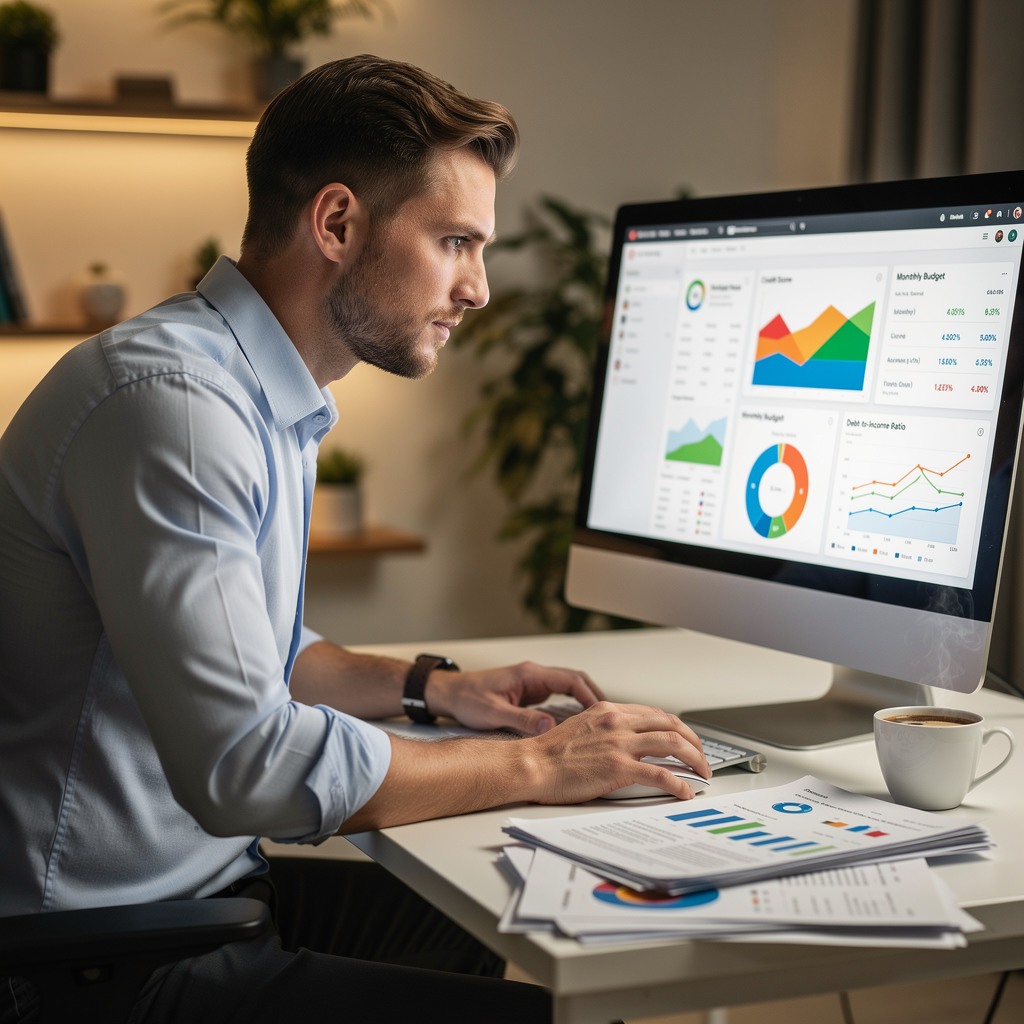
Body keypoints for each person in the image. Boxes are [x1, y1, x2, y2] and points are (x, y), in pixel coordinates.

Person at [0, 55, 708, 1022]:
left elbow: (257, 657)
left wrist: (432, 687)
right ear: (336, 223)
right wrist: (539, 764)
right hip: (90, 958)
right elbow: (243, 763)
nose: (479, 290)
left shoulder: (250, 391)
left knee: (499, 926)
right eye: (457, 241)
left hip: (195, 897)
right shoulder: (177, 408)